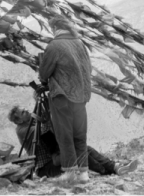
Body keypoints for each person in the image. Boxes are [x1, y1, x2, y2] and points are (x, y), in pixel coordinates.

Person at [38, 15, 102, 183]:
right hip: (81, 97)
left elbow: (44, 74)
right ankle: (83, 173)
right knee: (80, 135)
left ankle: (69, 173)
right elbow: (88, 69)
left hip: (62, 97)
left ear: (54, 28)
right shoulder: (80, 44)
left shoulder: (54, 46)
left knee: (64, 135)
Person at [8, 105, 138, 178]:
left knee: (84, 148)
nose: (27, 111)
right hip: (45, 167)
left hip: (55, 159)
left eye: (25, 109)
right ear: (18, 120)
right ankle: (107, 171)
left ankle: (115, 167)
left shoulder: (32, 122)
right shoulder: (22, 130)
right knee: (79, 153)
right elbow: (45, 129)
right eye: (23, 112)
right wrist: (46, 112)